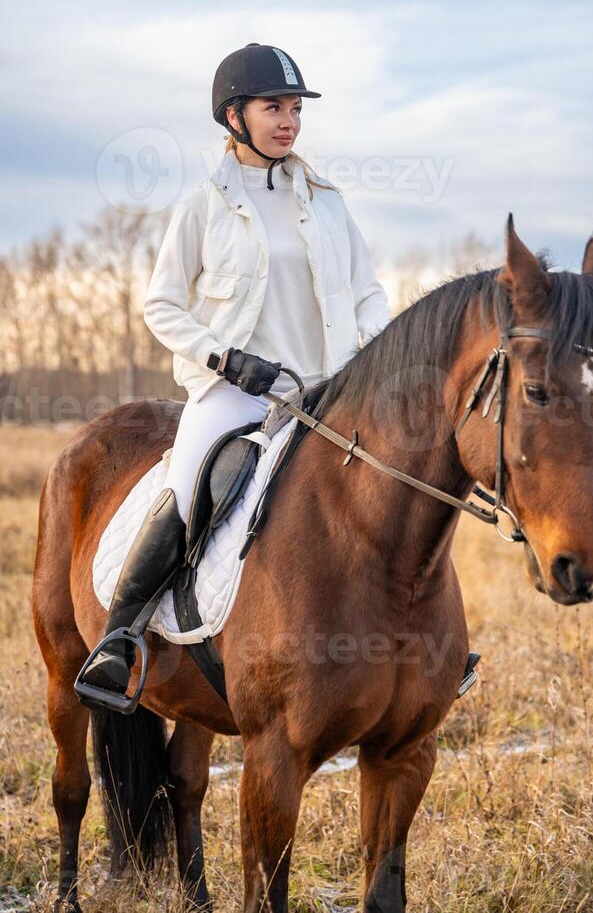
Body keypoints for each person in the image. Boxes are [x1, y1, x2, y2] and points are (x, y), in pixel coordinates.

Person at [80, 42, 392, 697]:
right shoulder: (203, 205)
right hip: (234, 393)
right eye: (273, 107)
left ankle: (418, 648)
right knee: (194, 483)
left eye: (295, 109)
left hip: (326, 390)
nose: (289, 121)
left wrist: (373, 347)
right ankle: (122, 636)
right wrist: (224, 357)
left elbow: (367, 290)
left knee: (397, 487)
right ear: (233, 116)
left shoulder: (328, 200)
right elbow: (161, 305)